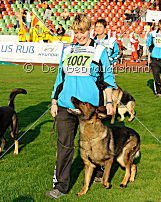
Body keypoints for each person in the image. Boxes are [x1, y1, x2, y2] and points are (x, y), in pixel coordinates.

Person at [46, 14, 115, 199]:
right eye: (76, 32)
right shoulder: (67, 50)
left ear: (90, 30)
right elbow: (60, 79)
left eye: (83, 31)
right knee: (64, 146)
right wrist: (54, 101)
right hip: (65, 106)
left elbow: (107, 80)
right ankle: (60, 186)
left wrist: (108, 102)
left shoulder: (100, 51)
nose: (80, 35)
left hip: (90, 110)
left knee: (96, 144)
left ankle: (100, 171)